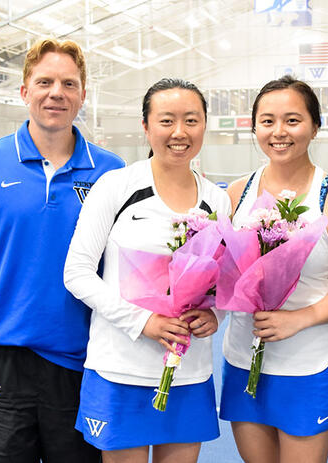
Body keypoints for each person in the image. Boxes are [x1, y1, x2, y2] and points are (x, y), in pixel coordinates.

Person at [0, 38, 125, 462]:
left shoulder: (112, 171)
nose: (56, 92)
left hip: (84, 362)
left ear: (82, 96)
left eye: (68, 84)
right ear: (24, 91)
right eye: (44, 81)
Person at [63, 78, 231, 463]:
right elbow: (77, 272)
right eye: (166, 120)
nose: (179, 132)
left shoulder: (217, 199)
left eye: (191, 120)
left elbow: (222, 281)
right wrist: (144, 322)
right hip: (121, 372)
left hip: (189, 373)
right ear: (146, 127)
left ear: (204, 125)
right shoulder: (116, 186)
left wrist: (214, 314)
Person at [218, 76, 328, 463]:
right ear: (254, 128)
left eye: (292, 120)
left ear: (315, 126)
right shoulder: (234, 194)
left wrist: (298, 319)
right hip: (242, 360)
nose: (279, 132)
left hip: (308, 364)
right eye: (267, 121)